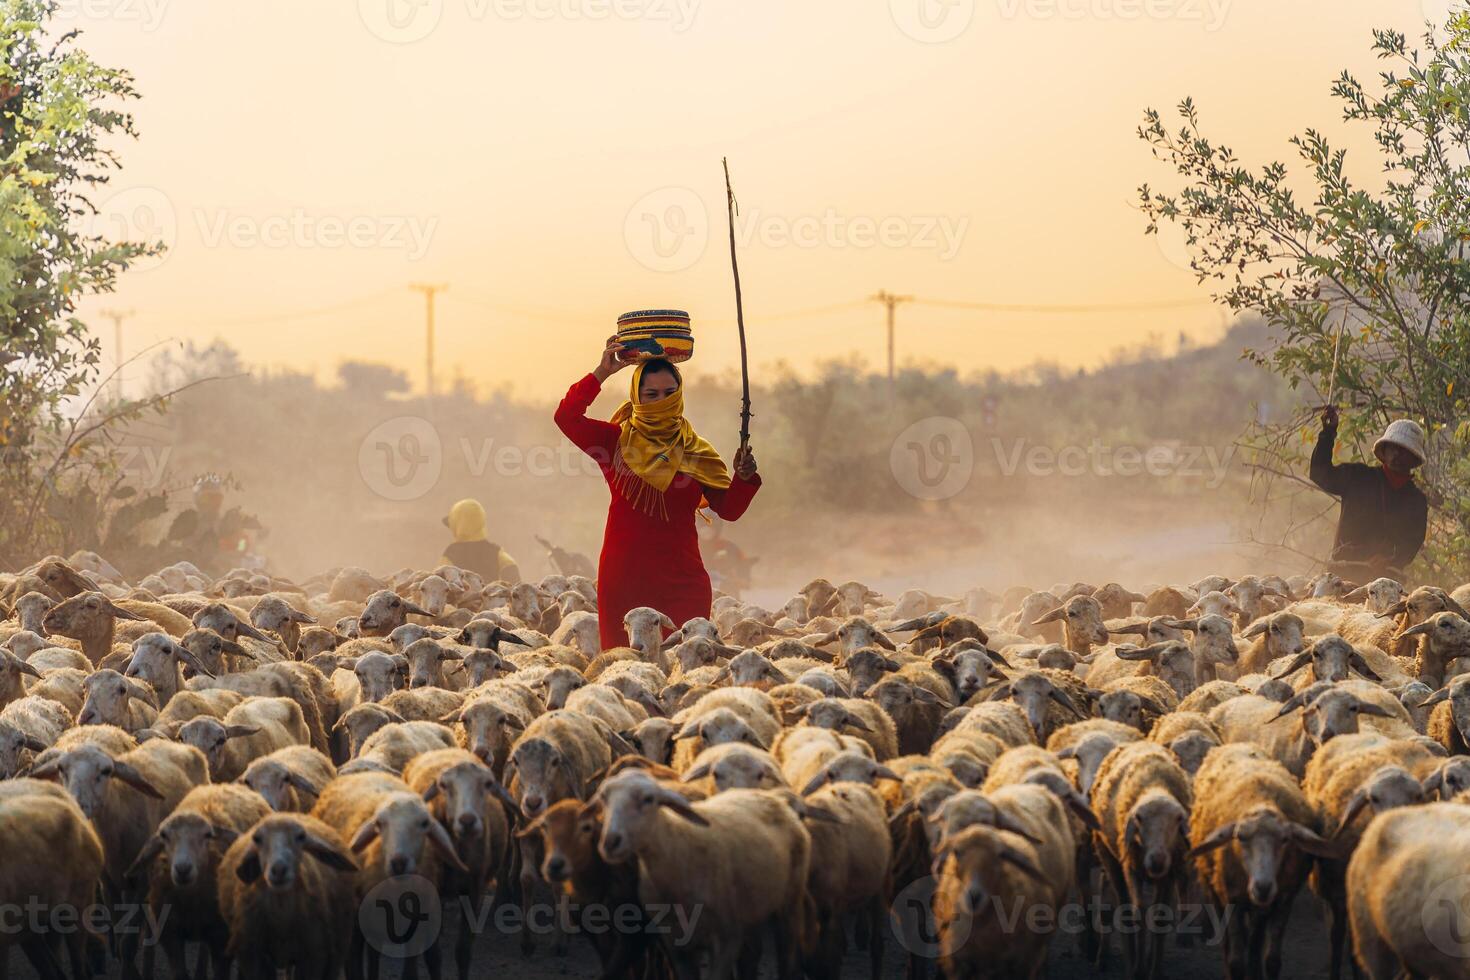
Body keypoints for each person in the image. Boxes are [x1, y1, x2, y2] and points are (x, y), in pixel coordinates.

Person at [555, 337, 761, 651]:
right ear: (637, 397)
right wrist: (602, 372)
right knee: (625, 673)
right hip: (623, 580)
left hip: (683, 582)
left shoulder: (697, 452)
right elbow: (566, 417)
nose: (661, 401)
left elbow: (729, 510)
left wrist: (743, 479)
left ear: (680, 395)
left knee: (689, 669)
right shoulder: (614, 442)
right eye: (651, 395)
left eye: (669, 393)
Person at [1309, 406, 1429, 580]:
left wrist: (1390, 561)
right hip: (1341, 576)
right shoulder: (1357, 476)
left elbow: (1411, 543)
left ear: (1413, 458)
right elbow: (1320, 474)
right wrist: (1328, 433)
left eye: (1404, 451)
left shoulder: (1416, 501)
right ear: (1384, 451)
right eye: (1393, 448)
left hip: (1384, 582)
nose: (1396, 454)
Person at [440, 498, 521, 584]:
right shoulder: (498, 554)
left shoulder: (450, 554)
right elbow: (515, 585)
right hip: (494, 596)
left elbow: (438, 587)